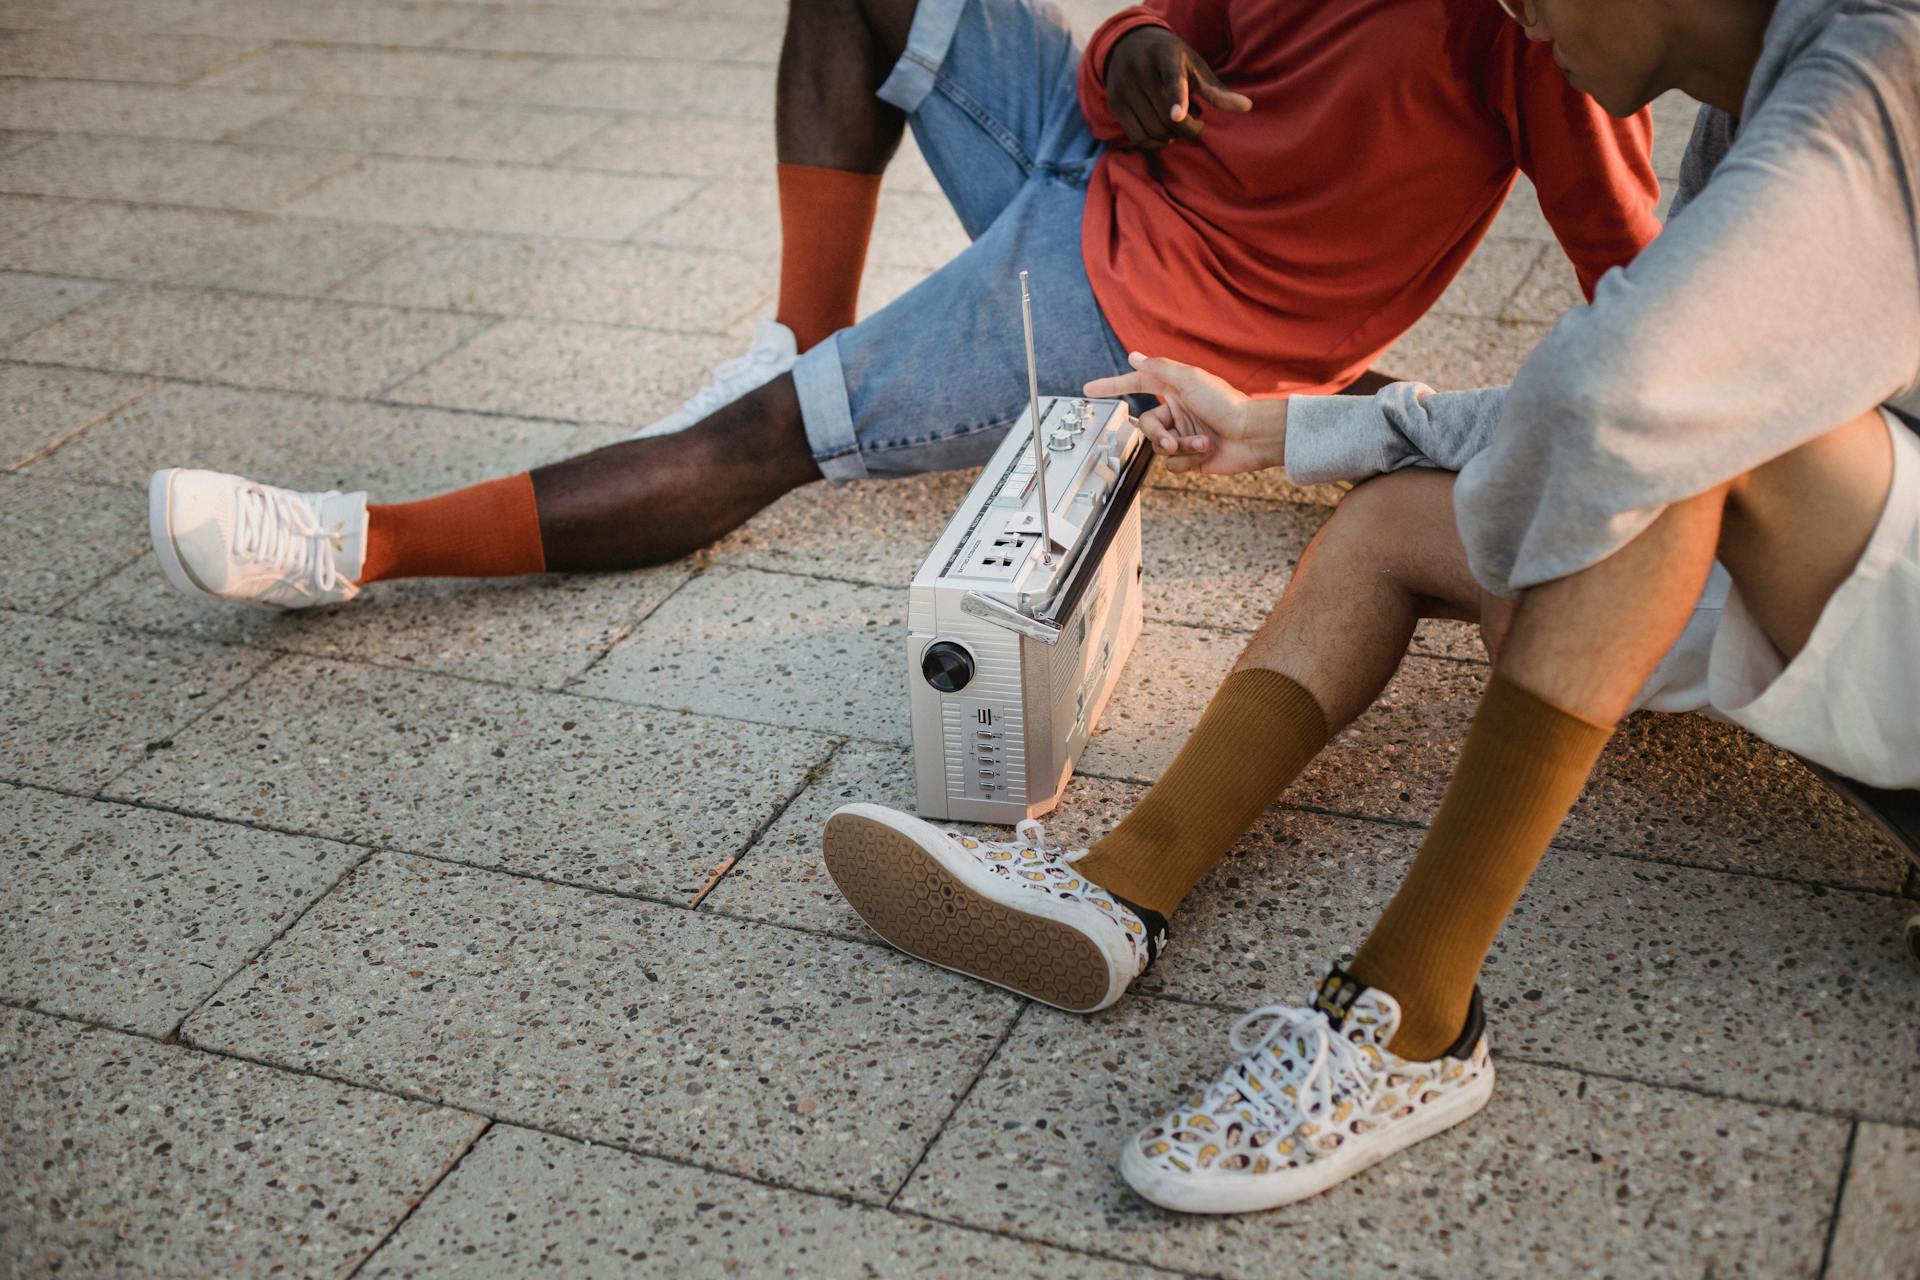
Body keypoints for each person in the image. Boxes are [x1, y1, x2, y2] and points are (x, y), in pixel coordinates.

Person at [822, 0, 1920, 1214]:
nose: (1510, 17)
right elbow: (1601, 398)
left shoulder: (1886, 68)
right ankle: (1122, 883)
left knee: (1676, 434)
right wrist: (1286, 424)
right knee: (1400, 518)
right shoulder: (1742, 110)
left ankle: (1415, 1016)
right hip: (1849, 580)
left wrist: (1554, 564)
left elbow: (1627, 396)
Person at [144, 0, 1656, 608]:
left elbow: (1635, 282)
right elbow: (1158, 27)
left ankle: (355, 545)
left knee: (766, 442)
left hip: (1146, 297)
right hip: (1110, 162)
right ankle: (799, 325)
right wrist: (1129, 46)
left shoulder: (1533, 16)